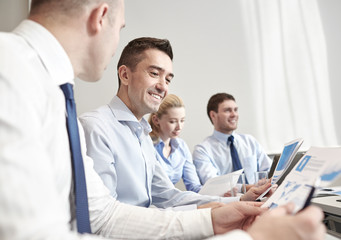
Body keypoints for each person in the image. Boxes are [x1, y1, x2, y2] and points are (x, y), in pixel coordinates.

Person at [0, 0, 326, 239]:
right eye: (120, 28)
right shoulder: (11, 69)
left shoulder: (57, 94)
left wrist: (219, 219)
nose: (163, 85)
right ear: (102, 16)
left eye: (168, 77)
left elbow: (104, 213)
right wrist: (250, 237)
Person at [80, 37, 273, 210]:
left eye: (168, 79)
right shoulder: (96, 127)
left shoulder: (142, 136)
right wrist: (203, 221)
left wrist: (237, 202)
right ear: (125, 75)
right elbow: (104, 217)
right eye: (154, 73)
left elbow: (170, 197)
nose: (163, 86)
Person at [193, 93, 272, 187]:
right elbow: (213, 184)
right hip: (227, 201)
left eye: (235, 110)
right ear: (213, 115)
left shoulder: (250, 141)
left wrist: (264, 182)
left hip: (260, 198)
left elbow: (269, 170)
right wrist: (248, 188)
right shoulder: (202, 150)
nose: (234, 114)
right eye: (227, 110)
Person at [149, 94, 202, 193]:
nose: (179, 127)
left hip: (171, 203)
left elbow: (194, 186)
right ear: (156, 120)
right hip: (149, 205)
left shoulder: (181, 146)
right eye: (173, 121)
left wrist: (218, 194)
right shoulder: (147, 145)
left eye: (182, 120)